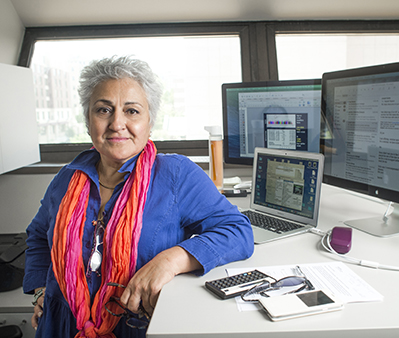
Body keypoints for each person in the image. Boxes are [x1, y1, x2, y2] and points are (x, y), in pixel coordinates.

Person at [23, 56, 254, 338]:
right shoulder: (67, 178)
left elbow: (238, 231)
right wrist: (40, 291)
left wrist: (172, 260)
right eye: (103, 110)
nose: (117, 123)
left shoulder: (177, 174)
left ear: (149, 121)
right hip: (59, 326)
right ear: (88, 121)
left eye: (132, 111)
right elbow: (37, 235)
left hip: (138, 328)